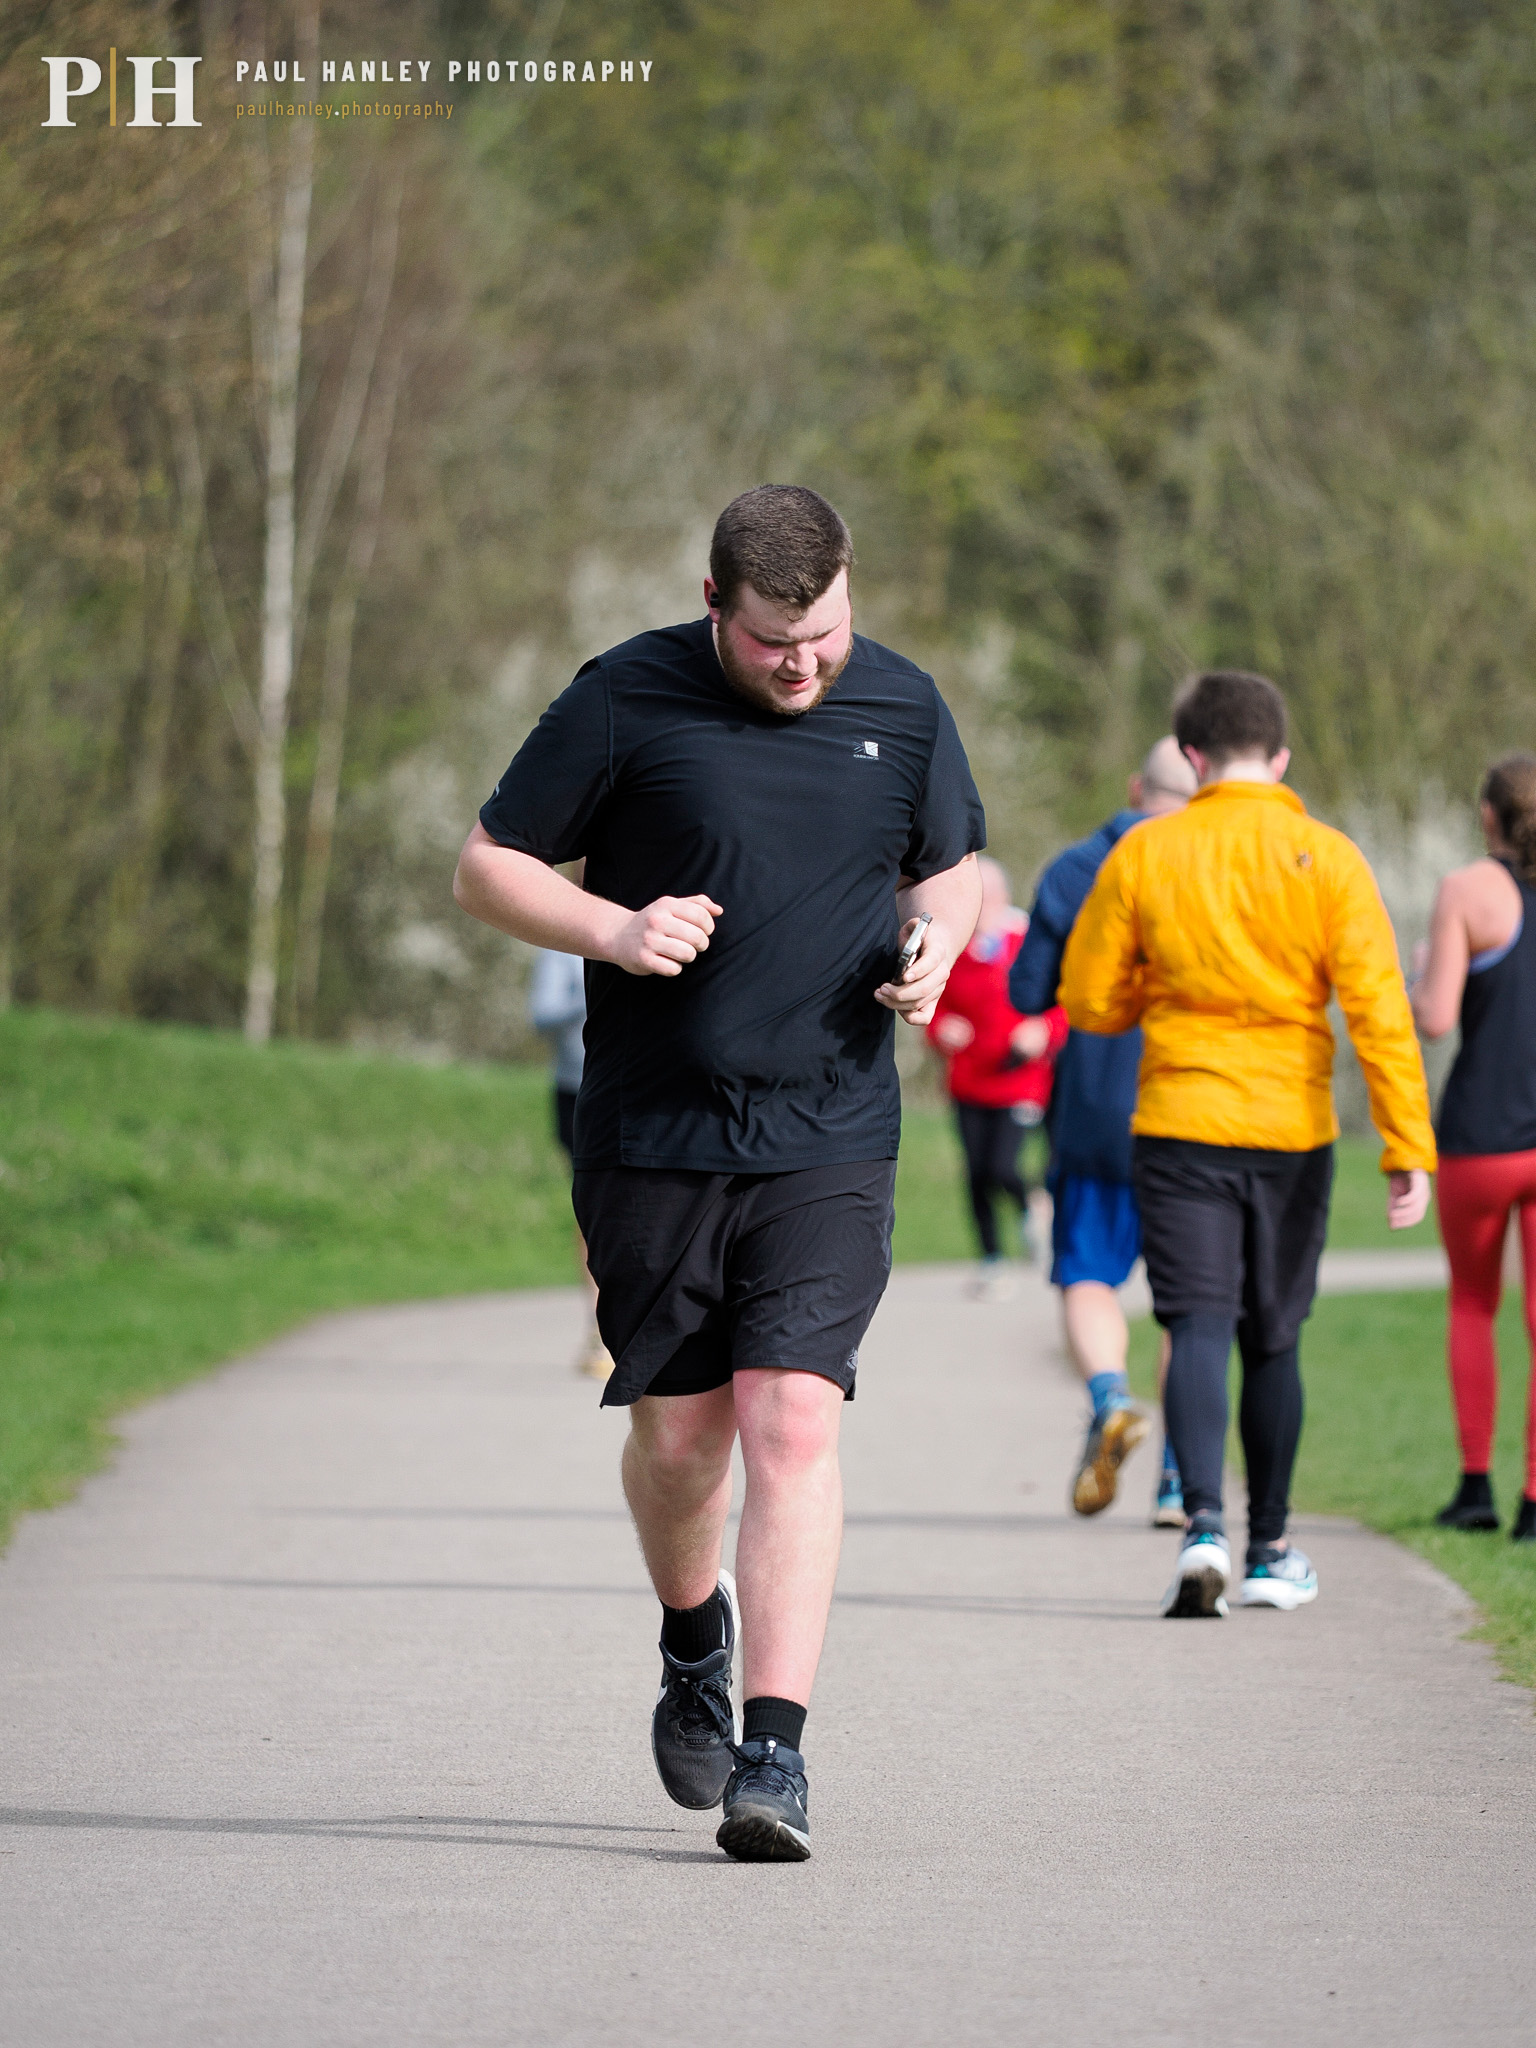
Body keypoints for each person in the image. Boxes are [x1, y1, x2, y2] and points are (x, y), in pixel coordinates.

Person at [453, 485, 984, 1860]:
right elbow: (487, 866)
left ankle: (775, 1755)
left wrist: (941, 942)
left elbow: (958, 864)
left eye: (823, 636)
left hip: (830, 1130)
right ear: (713, 609)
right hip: (657, 1136)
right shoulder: (626, 698)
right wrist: (615, 929)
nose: (804, 667)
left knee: (793, 1421)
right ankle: (695, 1636)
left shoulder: (908, 707)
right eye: (771, 645)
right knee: (682, 1440)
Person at [1062, 670, 1436, 1617]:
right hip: (1291, 1130)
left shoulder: (1146, 854)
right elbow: (1380, 1011)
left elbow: (1091, 1000)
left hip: (1180, 1120)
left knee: (1194, 1325)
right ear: (1279, 757)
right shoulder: (1328, 857)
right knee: (1274, 1336)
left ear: (1190, 757)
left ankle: (1200, 1529)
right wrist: (1407, 1145)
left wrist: (1162, 993)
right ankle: (1270, 1545)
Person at [1011, 737, 1196, 1521]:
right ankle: (1183, 1480)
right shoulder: (1219, 862)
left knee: (1087, 1274)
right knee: (1192, 1302)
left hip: (1093, 1102)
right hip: (1194, 1104)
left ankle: (1111, 1396)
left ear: (1133, 787)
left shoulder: (1073, 868)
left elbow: (1027, 990)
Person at [1410, 754, 1536, 1542]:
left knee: (1472, 1304)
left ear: (1488, 815)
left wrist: (1419, 974)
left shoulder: (1468, 891)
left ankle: (1475, 1488)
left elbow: (1435, 1018)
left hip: (1482, 1138)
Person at [926, 857, 1066, 1299]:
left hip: (1019, 1079)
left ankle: (1032, 1210)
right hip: (968, 1078)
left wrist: (1043, 1030)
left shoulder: (1025, 940)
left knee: (1002, 1166)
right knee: (976, 1173)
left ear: (1004, 896)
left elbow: (1063, 1002)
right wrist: (939, 1029)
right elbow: (935, 1003)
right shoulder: (954, 946)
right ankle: (991, 1260)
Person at [529, 941, 612, 1380]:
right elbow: (541, 1013)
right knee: (593, 1211)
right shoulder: (562, 944)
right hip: (577, 1089)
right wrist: (602, 984)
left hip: (642, 1085)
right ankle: (600, 1332)